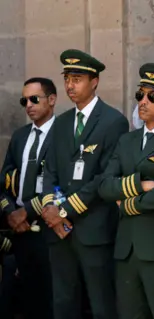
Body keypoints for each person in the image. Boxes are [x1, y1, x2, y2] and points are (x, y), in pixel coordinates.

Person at [40, 49, 129, 319]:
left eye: (77, 78)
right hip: (59, 231)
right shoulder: (62, 123)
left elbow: (105, 177)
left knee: (101, 303)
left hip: (94, 229)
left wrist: (65, 210)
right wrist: (51, 210)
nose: (70, 85)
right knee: (64, 301)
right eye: (67, 78)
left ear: (94, 81)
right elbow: (50, 170)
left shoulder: (113, 121)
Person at [99, 62, 154, 319]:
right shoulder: (127, 140)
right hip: (126, 250)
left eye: (152, 96)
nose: (143, 101)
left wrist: (124, 202)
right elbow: (105, 185)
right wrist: (141, 184)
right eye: (140, 95)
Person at [0, 77, 57, 319]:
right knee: (27, 300)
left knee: (52, 299)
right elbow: (4, 181)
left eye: (35, 99)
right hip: (20, 230)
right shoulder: (20, 136)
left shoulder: (63, 134)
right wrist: (10, 211)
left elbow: (63, 183)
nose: (29, 105)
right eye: (25, 100)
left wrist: (29, 211)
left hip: (50, 230)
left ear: (52, 100)